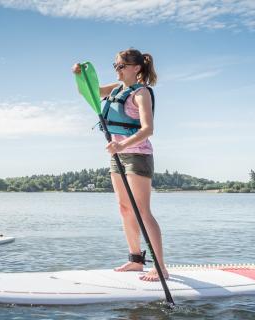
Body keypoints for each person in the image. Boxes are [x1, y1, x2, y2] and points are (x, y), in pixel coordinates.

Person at [72, 49, 168, 281]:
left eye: (121, 66)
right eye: (115, 65)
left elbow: (148, 129)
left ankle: (160, 267)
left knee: (142, 211)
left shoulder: (141, 93)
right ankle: (136, 260)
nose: (117, 69)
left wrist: (122, 145)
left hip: (137, 155)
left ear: (136, 68)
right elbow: (89, 92)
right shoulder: (115, 89)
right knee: (124, 209)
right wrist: (79, 75)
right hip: (117, 156)